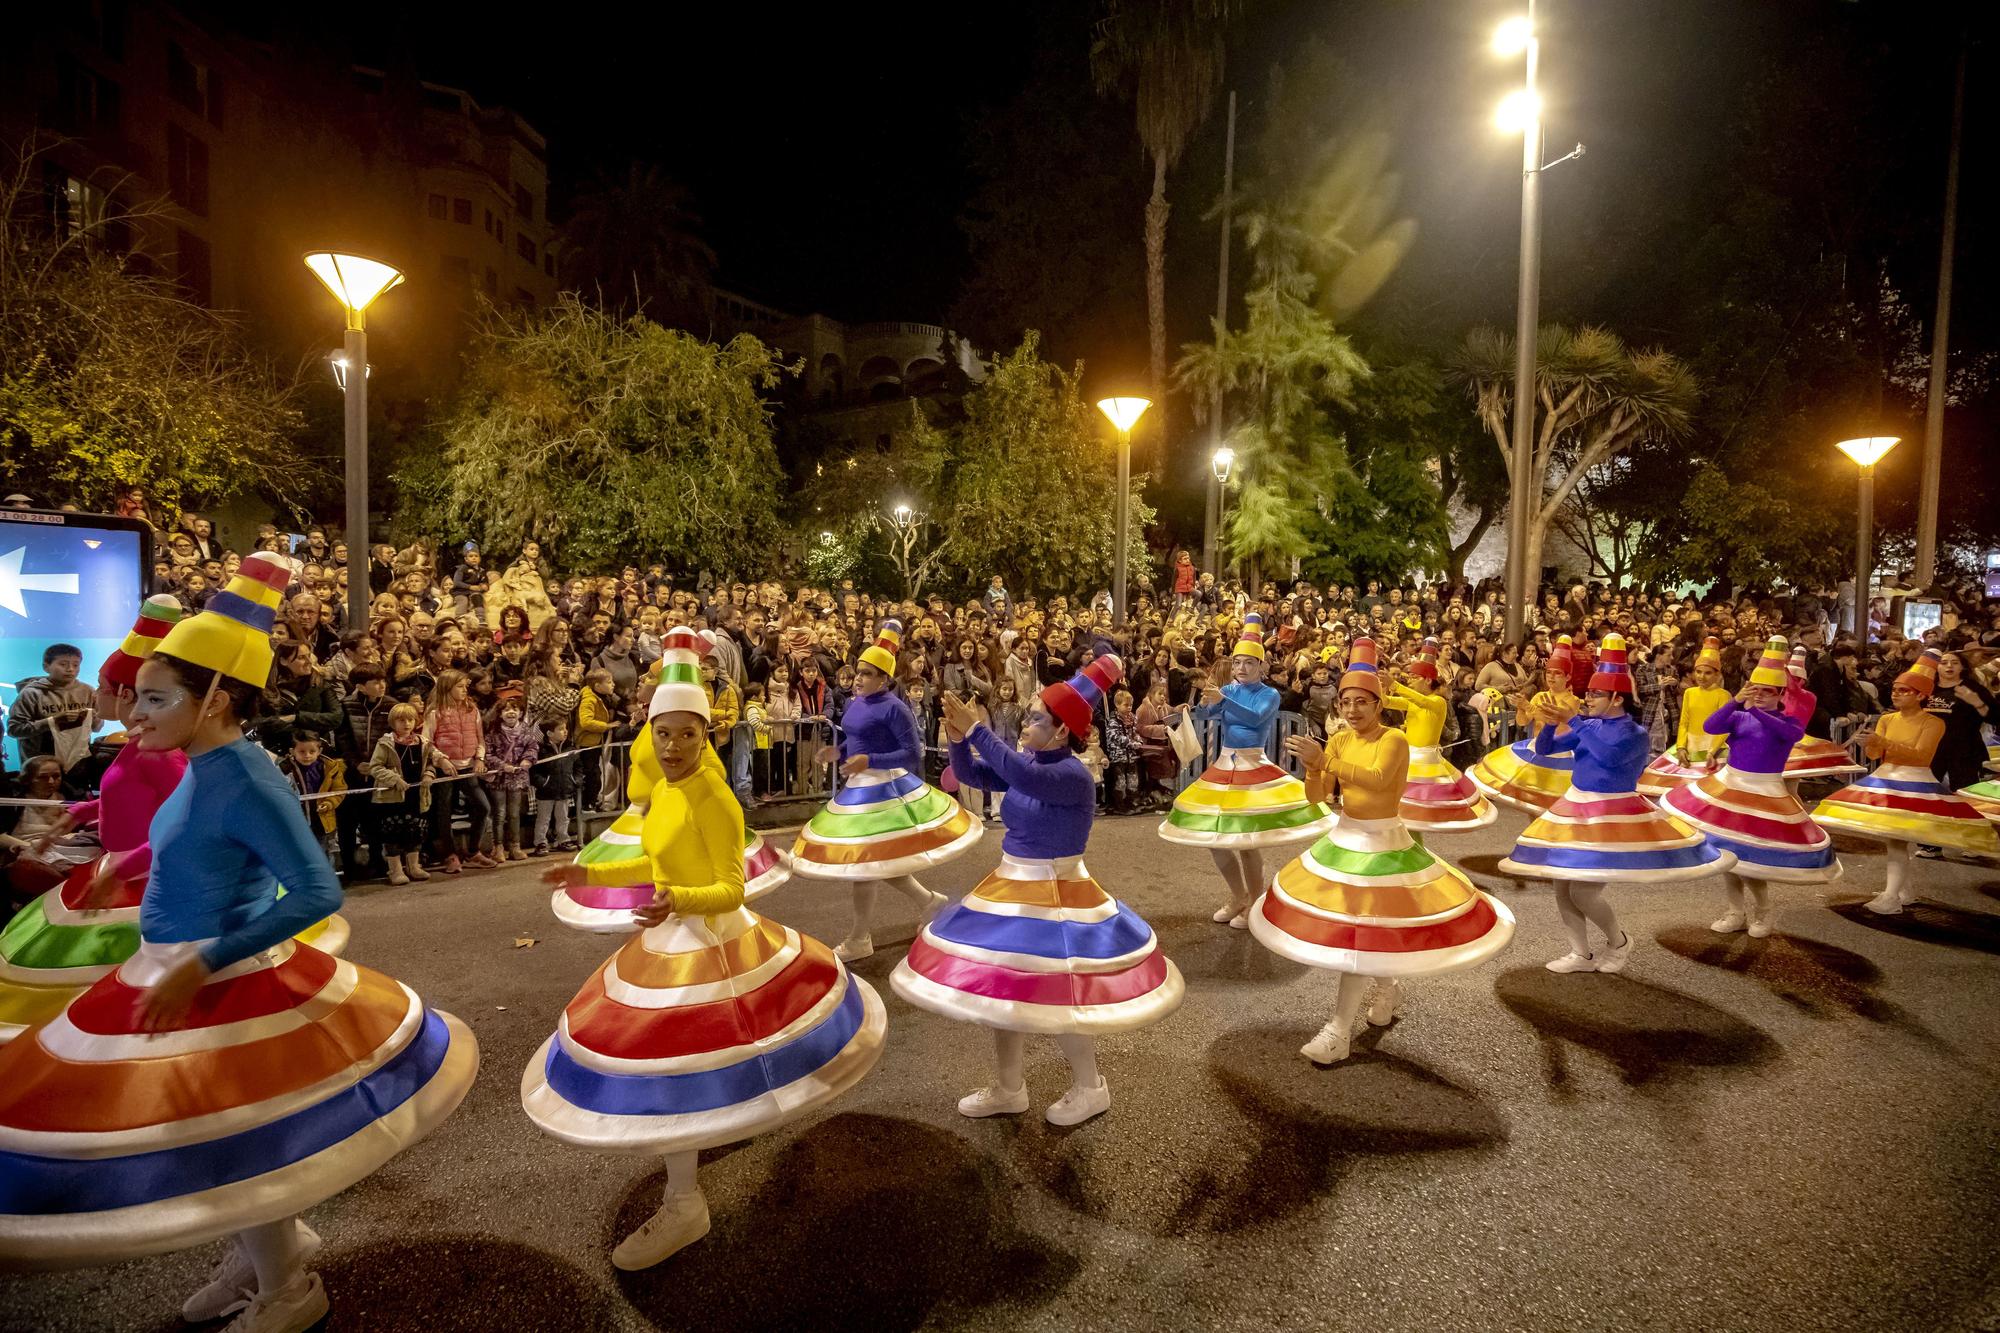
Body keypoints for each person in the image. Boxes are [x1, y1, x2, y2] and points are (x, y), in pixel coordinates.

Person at [0, 552, 478, 1333]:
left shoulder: (248, 778)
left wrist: (205, 961)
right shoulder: (195, 760)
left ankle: (288, 1288)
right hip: (177, 964)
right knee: (212, 1130)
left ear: (216, 697)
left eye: (155, 698)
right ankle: (262, 1255)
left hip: (224, 975)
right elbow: (197, 840)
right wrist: (130, 862)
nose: (135, 713)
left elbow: (317, 891)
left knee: (234, 1130)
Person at [529, 629, 886, 1270]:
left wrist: (678, 904)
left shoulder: (715, 796)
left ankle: (684, 1202)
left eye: (686, 734)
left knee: (688, 1067)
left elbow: (730, 887)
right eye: (662, 734)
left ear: (706, 734)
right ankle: (686, 1195)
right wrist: (586, 874)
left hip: (713, 940)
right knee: (672, 1069)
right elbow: (650, 858)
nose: (672, 746)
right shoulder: (666, 790)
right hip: (672, 935)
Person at [896, 656, 1183, 1124]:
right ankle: (1009, 1088)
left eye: (1035, 718)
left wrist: (977, 732)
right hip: (1013, 882)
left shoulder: (1070, 774)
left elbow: (1022, 775)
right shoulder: (1029, 760)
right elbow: (974, 775)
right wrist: (955, 737)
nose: (1027, 724)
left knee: (1062, 996)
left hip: (1057, 889)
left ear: (1063, 731)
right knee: (1004, 988)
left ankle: (1091, 1087)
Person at [1261, 638, 1514, 1064]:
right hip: (1346, 840)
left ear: (1378, 704)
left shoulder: (1394, 739)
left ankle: (1339, 1029)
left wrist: (1326, 761)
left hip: (1383, 842)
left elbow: (1377, 780)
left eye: (1362, 701)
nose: (1353, 709)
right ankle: (1387, 987)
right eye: (1346, 702)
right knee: (1363, 930)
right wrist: (1312, 768)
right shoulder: (1339, 743)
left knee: (1363, 935)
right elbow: (1318, 798)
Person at [1499, 634, 1733, 973]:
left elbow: (1609, 758)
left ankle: (1619, 941)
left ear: (1617, 698)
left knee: (1583, 892)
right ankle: (1580, 953)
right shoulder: (1589, 723)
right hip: (1575, 808)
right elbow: (1545, 749)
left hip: (1612, 814)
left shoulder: (1633, 733)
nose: (1588, 698)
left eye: (1595, 693)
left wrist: (1573, 719)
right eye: (1589, 692)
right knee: (1562, 885)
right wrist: (1551, 723)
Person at [790, 621, 983, 961]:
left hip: (886, 789)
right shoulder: (856, 702)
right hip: (860, 789)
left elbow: (913, 752)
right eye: (858, 672)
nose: (858, 679)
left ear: (884, 677)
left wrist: (869, 759)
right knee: (876, 862)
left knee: (866, 865)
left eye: (866, 673)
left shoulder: (896, 708)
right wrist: (840, 751)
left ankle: (860, 936)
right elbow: (856, 739)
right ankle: (929, 902)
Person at [1160, 614, 1336, 929]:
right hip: (1225, 766)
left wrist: (1223, 698)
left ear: (1260, 666)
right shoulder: (1228, 688)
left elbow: (1256, 719)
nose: (1241, 668)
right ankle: (1238, 895)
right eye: (1238, 662)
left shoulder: (1268, 693)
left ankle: (1255, 901)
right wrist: (1197, 705)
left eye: (1248, 663)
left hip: (1254, 766)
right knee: (1217, 839)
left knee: (1248, 841)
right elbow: (1208, 713)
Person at [1661, 637, 1842, 938]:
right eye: (1755, 690)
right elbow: (1711, 726)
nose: (1759, 696)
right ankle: (1735, 911)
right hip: (1730, 785)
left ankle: (1763, 911)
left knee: (1751, 863)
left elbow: (1788, 734)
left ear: (1781, 694)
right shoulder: (1740, 716)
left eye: (1767, 692)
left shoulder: (1788, 723)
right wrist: (1736, 700)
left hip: (1764, 791)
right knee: (1727, 857)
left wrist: (1755, 709)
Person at [1813, 649, 1999, 914]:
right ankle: (1903, 889)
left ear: (1921, 695)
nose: (1896, 694)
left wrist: (1882, 742)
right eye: (1896, 689)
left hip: (1915, 782)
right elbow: (1877, 755)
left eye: (1904, 691)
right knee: (1894, 840)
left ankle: (1892, 895)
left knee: (1898, 841)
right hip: (1888, 779)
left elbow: (1922, 755)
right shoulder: (1887, 719)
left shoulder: (1934, 723)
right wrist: (1872, 745)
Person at [1382, 638, 1495, 831]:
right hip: (1407, 758)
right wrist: (1381, 685)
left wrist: (1395, 685)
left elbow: (1421, 701)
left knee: (1419, 812)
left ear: (1427, 679)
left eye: (1413, 677)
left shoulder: (1438, 702)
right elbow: (1386, 702)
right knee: (1403, 811)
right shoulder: (1414, 701)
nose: (1409, 681)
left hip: (1426, 762)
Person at [1469, 634, 1582, 813]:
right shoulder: (1539, 696)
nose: (1551, 678)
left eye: (1557, 674)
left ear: (1568, 677)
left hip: (1560, 754)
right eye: (1549, 673)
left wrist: (1528, 707)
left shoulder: (1573, 701)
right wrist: (1522, 708)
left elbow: (1557, 723)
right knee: (1533, 805)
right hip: (1537, 748)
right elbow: (1523, 722)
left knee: (1555, 805)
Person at [1637, 636, 1731, 796]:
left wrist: (1711, 751)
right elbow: (1684, 722)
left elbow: (1724, 728)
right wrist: (1681, 746)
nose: (1701, 676)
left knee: (1708, 791)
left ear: (1717, 675)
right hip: (1689, 745)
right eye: (1698, 672)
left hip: (1714, 747)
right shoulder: (1690, 692)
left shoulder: (1723, 695)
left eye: (1708, 673)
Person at [1777, 644, 1867, 783]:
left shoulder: (1805, 696)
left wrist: (1844, 712)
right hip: (1786, 737)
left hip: (1795, 737)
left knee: (1788, 783)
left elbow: (1836, 694)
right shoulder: (1784, 694)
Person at [6, 642, 96, 778]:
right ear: (46, 667)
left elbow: (96, 728)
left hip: (78, 764)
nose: (70, 669)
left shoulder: (88, 691)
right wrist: (53, 721)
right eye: (63, 664)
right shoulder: (32, 693)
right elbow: (14, 729)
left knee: (76, 797)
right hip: (41, 768)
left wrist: (94, 718)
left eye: (76, 665)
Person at [486, 686, 542, 861]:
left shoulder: (527, 731)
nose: (511, 712)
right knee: (499, 813)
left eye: (515, 709)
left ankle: (515, 846)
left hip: (518, 778)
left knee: (514, 813)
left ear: (520, 712)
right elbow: (488, 754)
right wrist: (502, 765)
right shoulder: (493, 732)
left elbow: (533, 747)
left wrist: (527, 760)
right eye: (506, 709)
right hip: (499, 779)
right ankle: (498, 847)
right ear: (500, 713)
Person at [529, 716, 579, 855]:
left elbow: (577, 767)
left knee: (563, 817)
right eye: (561, 729)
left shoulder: (570, 747)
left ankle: (563, 839)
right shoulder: (540, 750)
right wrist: (543, 783)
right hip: (546, 791)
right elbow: (534, 771)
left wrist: (575, 780)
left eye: (565, 728)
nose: (565, 731)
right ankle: (541, 842)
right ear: (550, 733)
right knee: (543, 819)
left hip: (564, 789)